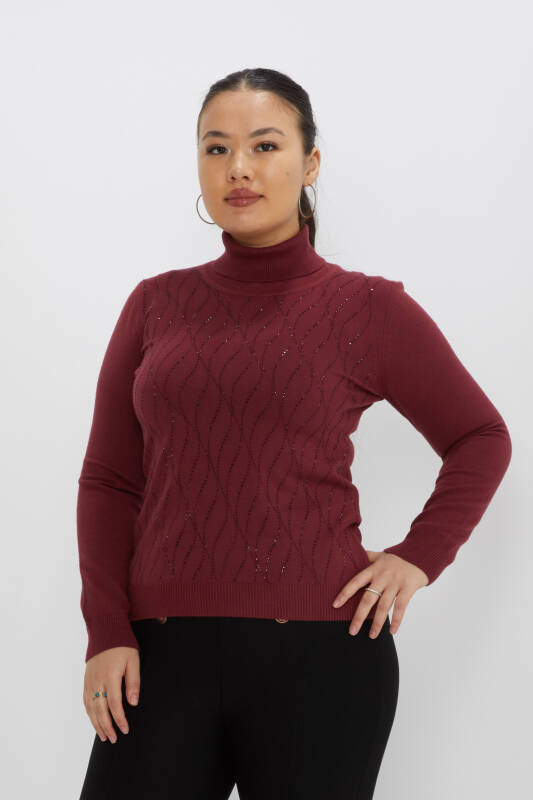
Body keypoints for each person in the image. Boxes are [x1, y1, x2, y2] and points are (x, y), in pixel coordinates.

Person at [77, 67, 512, 800]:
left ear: (310, 163)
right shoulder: (155, 304)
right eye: (216, 148)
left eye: (265, 145)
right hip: (157, 656)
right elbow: (110, 481)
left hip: (322, 657)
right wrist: (105, 630)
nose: (238, 168)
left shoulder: (367, 308)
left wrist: (418, 557)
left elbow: (480, 435)